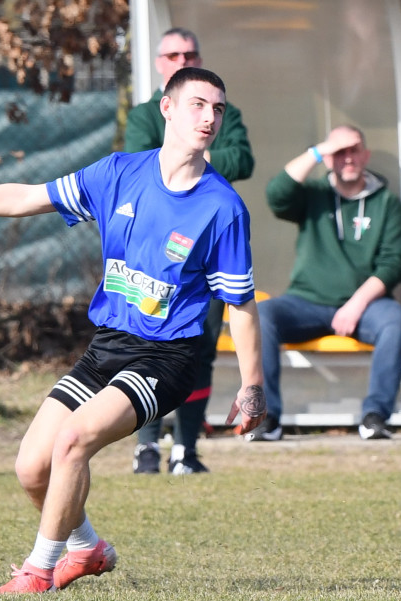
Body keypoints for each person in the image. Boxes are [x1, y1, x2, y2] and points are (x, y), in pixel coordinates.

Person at [0, 67, 266, 594]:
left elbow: (240, 305)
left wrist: (252, 386)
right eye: (198, 105)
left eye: (218, 109)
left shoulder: (222, 208)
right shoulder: (118, 174)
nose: (210, 118)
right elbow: (25, 198)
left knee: (73, 440)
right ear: (166, 110)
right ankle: (88, 548)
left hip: (168, 357)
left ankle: (38, 571)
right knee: (31, 468)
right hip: (109, 347)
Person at [124, 27, 255, 475]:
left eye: (190, 52)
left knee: (199, 347)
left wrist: (193, 155)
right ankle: (146, 445)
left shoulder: (226, 113)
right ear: (160, 64)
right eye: (172, 54)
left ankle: (187, 448)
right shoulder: (144, 114)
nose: (182, 59)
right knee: (148, 344)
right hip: (155, 248)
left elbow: (244, 160)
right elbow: (143, 161)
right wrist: (194, 155)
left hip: (207, 245)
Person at [247, 125, 401, 442]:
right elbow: (277, 194)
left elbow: (395, 263)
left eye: (354, 150)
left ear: (366, 155)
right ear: (328, 157)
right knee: (263, 313)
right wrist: (319, 149)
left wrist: (356, 305)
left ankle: (374, 416)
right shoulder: (314, 195)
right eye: (339, 152)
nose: (348, 158)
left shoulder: (386, 203)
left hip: (366, 308)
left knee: (395, 319)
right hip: (306, 302)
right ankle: (268, 419)